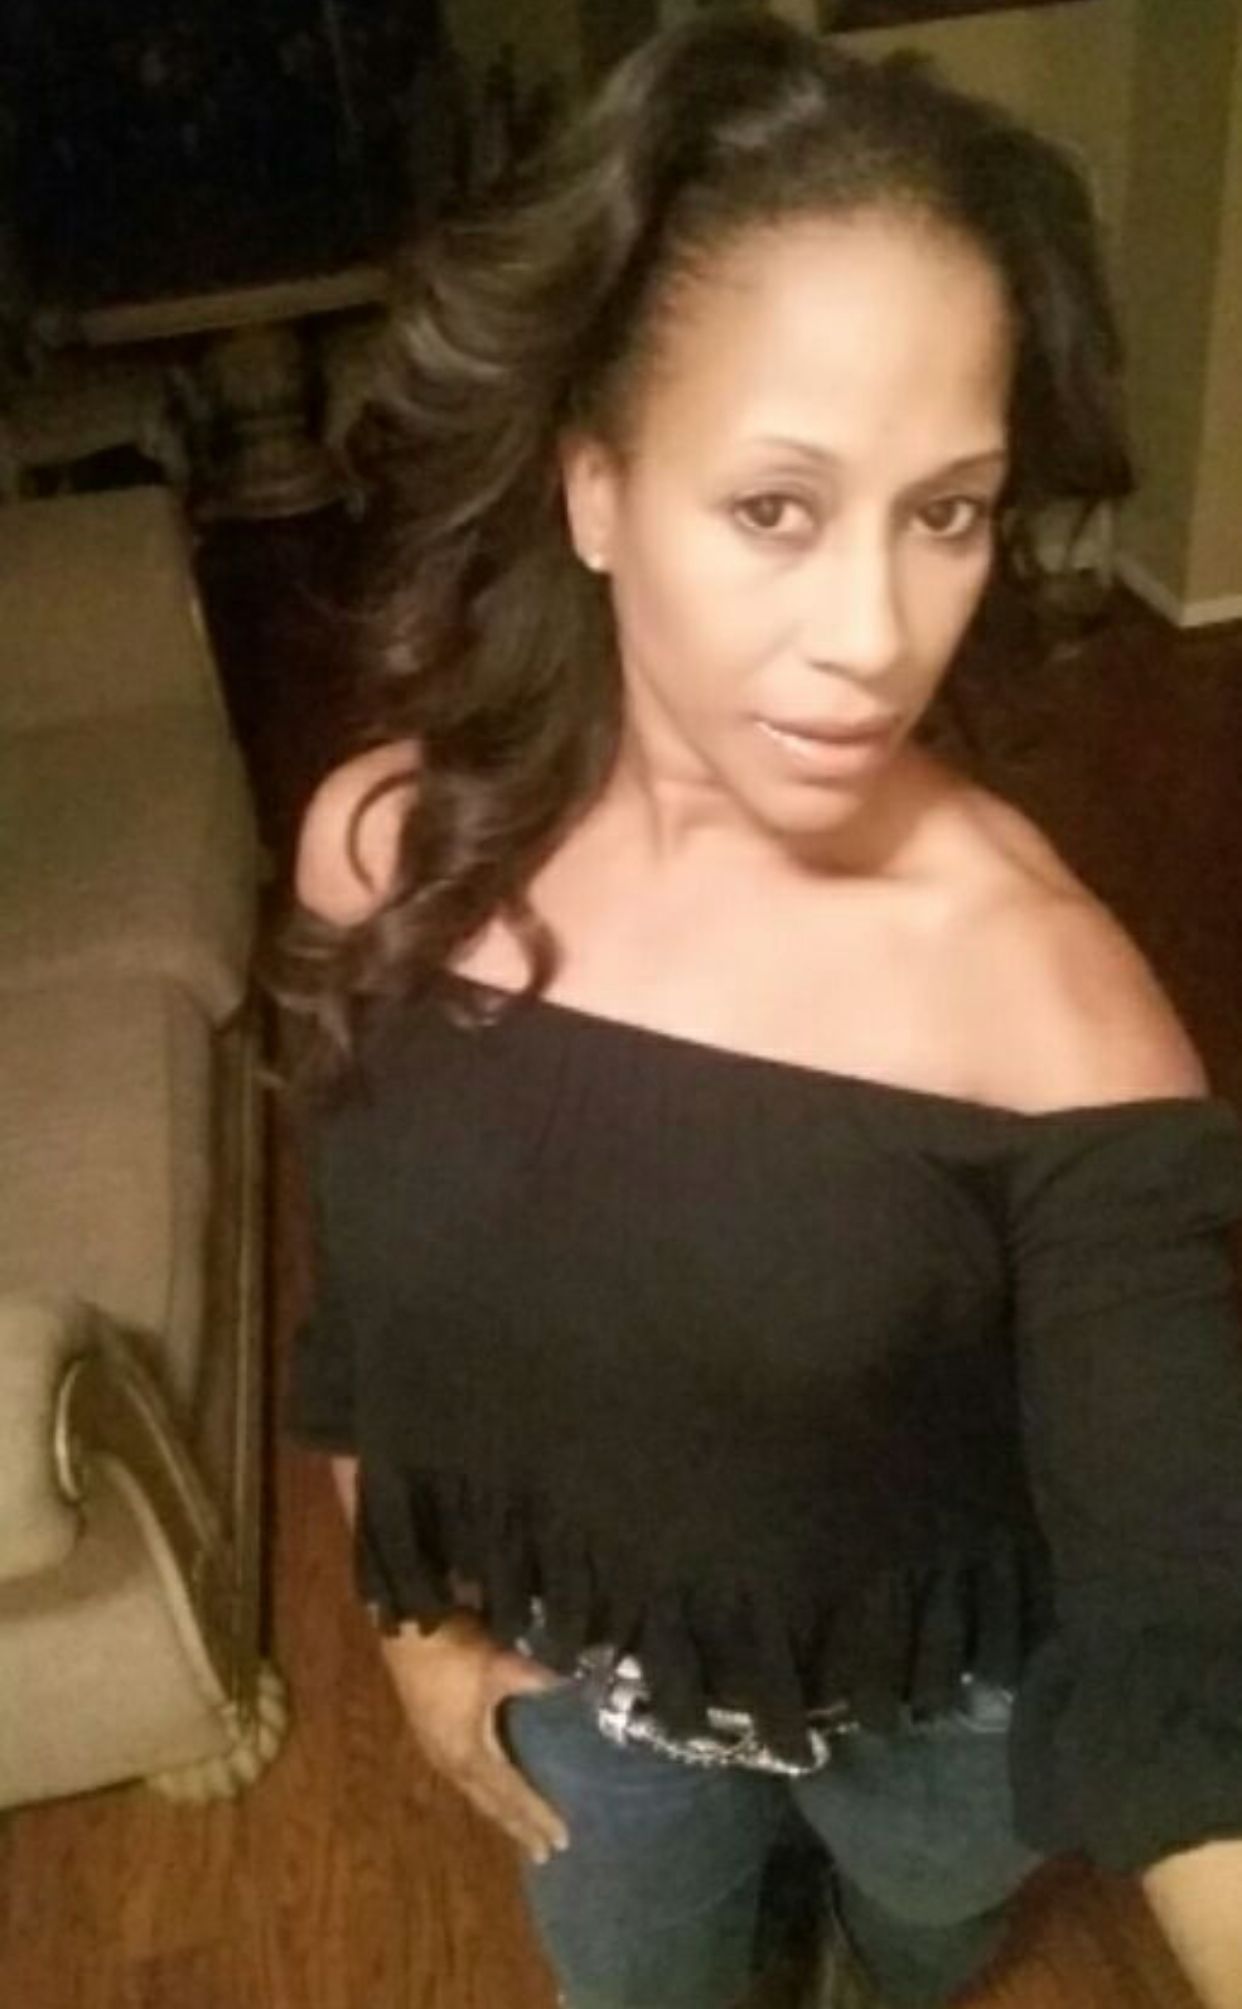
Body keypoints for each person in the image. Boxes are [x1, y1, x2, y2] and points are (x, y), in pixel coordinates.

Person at [266, 13, 1242, 2008]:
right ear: (596, 486)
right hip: (588, 1699)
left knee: (922, 1943)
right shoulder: (385, 858)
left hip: (944, 1724)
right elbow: (368, 1305)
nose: (874, 635)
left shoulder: (1056, 1012)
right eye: (777, 508)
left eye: (945, 511)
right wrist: (415, 1630)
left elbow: (1185, 1646)